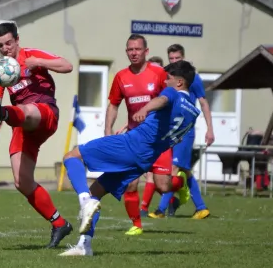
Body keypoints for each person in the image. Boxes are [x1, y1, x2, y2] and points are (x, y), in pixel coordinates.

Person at [60, 60, 200, 256]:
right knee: (96, 191)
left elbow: (162, 100)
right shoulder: (194, 113)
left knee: (72, 156)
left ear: (179, 82)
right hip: (146, 158)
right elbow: (173, 135)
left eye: (167, 79)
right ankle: (85, 246)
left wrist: (145, 109)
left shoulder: (172, 93)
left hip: (132, 145)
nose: (164, 82)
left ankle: (84, 203)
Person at [0, 20, 73, 249]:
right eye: (0, 45)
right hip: (21, 124)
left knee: (28, 110)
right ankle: (60, 223)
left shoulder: (32, 55)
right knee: (21, 181)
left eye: (9, 43)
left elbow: (67, 66)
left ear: (17, 40)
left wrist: (39, 63)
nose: (5, 48)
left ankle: (6, 114)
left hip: (44, 113)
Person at [104, 34, 181, 236]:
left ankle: (181, 184)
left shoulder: (159, 74)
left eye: (138, 49)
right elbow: (113, 104)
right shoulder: (121, 77)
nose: (134, 53)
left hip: (160, 138)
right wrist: (107, 131)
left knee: (163, 186)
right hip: (135, 139)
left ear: (146, 51)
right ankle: (136, 225)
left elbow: (173, 100)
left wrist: (177, 128)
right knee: (130, 183)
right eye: (130, 49)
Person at [147, 44, 214, 219]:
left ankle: (161, 210)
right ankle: (200, 207)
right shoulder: (169, 79)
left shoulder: (194, 79)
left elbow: (204, 103)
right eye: (172, 59)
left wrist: (210, 129)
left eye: (178, 58)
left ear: (183, 57)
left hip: (185, 129)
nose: (174, 61)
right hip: (171, 129)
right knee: (183, 170)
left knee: (174, 168)